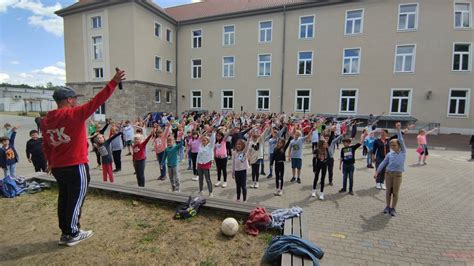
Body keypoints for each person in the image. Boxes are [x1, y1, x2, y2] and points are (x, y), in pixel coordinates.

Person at [41, 69, 125, 246]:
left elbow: (46, 144)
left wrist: (49, 161)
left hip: (57, 166)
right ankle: (72, 233)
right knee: (76, 198)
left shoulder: (46, 120)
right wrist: (114, 82)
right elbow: (97, 101)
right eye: (75, 99)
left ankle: (66, 232)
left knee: (64, 198)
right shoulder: (73, 114)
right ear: (69, 100)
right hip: (75, 164)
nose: (76, 101)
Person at [374, 122, 406, 217]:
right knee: (388, 191)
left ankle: (393, 208)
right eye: (391, 146)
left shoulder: (403, 152)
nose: (392, 147)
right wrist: (377, 172)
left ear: (399, 146)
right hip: (388, 174)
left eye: (394, 145)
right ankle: (387, 206)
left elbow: (400, 139)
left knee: (395, 192)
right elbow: (383, 163)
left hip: (397, 175)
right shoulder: (389, 154)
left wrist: (398, 129)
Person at [196, 127, 216, 197]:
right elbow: (198, 156)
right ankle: (201, 190)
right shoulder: (200, 146)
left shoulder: (210, 146)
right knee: (200, 179)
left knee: (208, 179)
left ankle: (210, 192)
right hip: (199, 165)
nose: (203, 141)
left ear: (207, 141)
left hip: (206, 164)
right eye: (203, 140)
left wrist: (212, 132)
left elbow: (213, 140)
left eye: (205, 140)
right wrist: (196, 165)